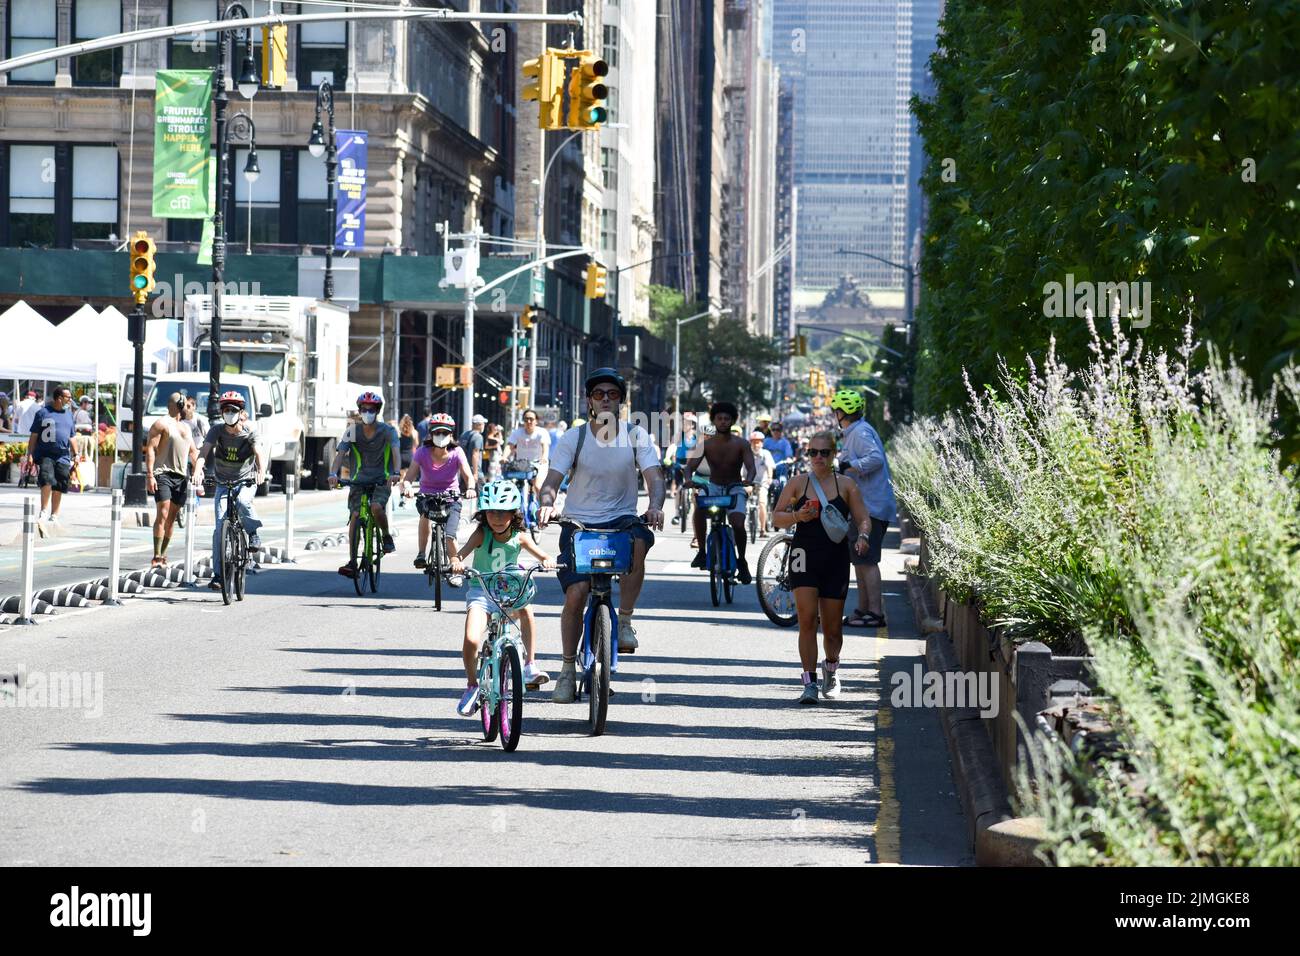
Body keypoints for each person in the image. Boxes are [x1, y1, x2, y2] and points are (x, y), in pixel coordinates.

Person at [537, 368, 666, 701]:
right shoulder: (574, 438)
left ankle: (624, 621)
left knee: (639, 539)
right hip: (579, 524)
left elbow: (654, 477)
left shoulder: (636, 435)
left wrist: (654, 505)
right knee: (577, 594)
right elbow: (551, 481)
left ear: (621, 400)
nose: (606, 398)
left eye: (612, 394)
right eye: (599, 394)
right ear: (589, 401)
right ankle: (567, 670)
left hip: (621, 520)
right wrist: (547, 505)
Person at [772, 430, 875, 703]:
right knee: (807, 620)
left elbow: (863, 518)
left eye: (824, 453)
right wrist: (797, 515)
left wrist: (863, 537)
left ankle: (831, 668)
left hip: (835, 559)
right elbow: (776, 518)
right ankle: (809, 683)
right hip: (804, 556)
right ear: (807, 454)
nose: (818, 458)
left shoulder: (846, 485)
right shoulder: (797, 483)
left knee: (832, 629)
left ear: (834, 454)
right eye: (813, 453)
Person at [450, 480, 556, 713]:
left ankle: (529, 664)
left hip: (510, 590)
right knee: (471, 640)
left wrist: (547, 561)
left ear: (513, 513)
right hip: (482, 592)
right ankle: (471, 685)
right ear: (484, 513)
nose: (496, 518)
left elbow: (543, 556)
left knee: (527, 609)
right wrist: (456, 562)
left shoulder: (519, 536)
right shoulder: (481, 534)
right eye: (491, 512)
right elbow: (461, 554)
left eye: (503, 512)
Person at [831, 388, 897, 629]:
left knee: (868, 560)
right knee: (859, 559)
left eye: (836, 411)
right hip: (862, 506)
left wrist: (850, 464)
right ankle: (863, 609)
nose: (834, 415)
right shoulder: (853, 433)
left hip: (872, 506)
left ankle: (876, 613)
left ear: (841, 413)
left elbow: (876, 458)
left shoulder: (860, 432)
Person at [195, 391, 266, 591]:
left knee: (244, 502)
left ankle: (252, 533)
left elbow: (259, 452)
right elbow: (204, 451)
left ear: (241, 412)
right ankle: (218, 575)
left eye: (233, 410)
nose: (229, 413)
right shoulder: (216, 431)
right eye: (226, 410)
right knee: (219, 530)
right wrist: (198, 470)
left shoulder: (250, 431)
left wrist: (261, 471)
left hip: (245, 481)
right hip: (223, 482)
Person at [328, 391, 402, 576]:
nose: (367, 412)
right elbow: (340, 455)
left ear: (377, 411)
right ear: (359, 410)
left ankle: (386, 536)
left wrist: (395, 473)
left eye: (371, 409)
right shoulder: (352, 430)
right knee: (355, 515)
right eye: (364, 409)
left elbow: (396, 453)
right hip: (357, 482)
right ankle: (353, 562)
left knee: (377, 507)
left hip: (382, 480)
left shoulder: (388, 431)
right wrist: (333, 474)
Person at [683, 401, 756, 584]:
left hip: (735, 487)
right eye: (719, 418)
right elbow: (689, 466)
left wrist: (749, 480)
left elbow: (751, 467)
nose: (723, 422)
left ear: (732, 421)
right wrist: (688, 480)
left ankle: (742, 560)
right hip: (713, 486)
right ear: (714, 421)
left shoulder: (742, 444)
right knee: (699, 509)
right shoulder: (706, 445)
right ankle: (701, 551)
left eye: (727, 419)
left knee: (738, 523)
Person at [403, 412, 475, 586]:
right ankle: (421, 553)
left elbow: (468, 475)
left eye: (445, 433)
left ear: (451, 435)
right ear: (431, 434)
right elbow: (409, 477)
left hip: (451, 498)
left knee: (450, 535)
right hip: (427, 495)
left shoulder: (457, 452)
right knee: (424, 516)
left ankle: (455, 568)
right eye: (437, 432)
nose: (440, 436)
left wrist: (471, 488)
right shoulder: (422, 452)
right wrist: (406, 487)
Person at [144, 392, 199, 566]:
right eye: (180, 402)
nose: (183, 405)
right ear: (171, 405)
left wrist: (199, 471)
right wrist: (150, 474)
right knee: (163, 513)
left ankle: (164, 554)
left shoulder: (186, 428)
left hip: (181, 476)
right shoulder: (161, 424)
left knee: (172, 517)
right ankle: (156, 555)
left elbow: (193, 452)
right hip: (163, 474)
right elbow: (151, 449)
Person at [28, 385, 76, 522]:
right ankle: (44, 510)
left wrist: (77, 453)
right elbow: (34, 436)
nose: (70, 400)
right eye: (68, 397)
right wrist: (30, 454)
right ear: (59, 398)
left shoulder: (69, 415)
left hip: (63, 455)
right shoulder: (43, 413)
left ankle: (54, 514)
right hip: (46, 454)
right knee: (47, 479)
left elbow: (72, 436)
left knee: (60, 484)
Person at [505, 408, 549, 493]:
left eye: (531, 419)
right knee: (514, 488)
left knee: (537, 486)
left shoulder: (542, 432)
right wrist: (503, 457)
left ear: (536, 421)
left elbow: (545, 447)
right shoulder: (517, 433)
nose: (528, 421)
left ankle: (545, 505)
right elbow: (509, 446)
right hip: (522, 465)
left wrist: (544, 457)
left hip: (538, 464)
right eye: (526, 419)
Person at [748, 430, 777, 537]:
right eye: (754, 442)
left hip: (762, 482)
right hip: (749, 483)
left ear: (762, 443)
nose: (756, 444)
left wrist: (769, 478)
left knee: (762, 502)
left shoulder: (766, 454)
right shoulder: (746, 454)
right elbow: (740, 470)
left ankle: (762, 529)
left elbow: (770, 467)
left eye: (758, 442)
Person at [459, 413, 487, 482]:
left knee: (464, 492)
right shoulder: (478, 436)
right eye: (483, 424)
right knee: (479, 492)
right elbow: (475, 454)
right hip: (474, 471)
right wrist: (475, 473)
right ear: (479, 425)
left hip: (464, 471)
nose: (484, 426)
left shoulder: (464, 435)